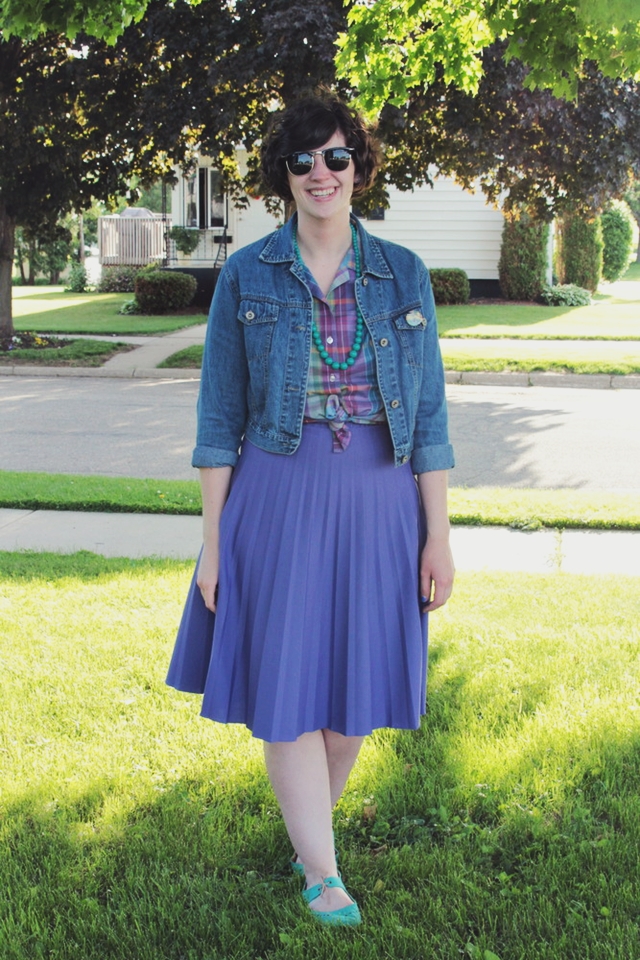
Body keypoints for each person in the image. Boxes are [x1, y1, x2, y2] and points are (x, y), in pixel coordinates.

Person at [166, 93, 455, 927]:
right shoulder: (247, 276)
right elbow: (218, 421)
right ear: (283, 175)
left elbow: (429, 416)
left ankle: (308, 841)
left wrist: (438, 534)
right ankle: (323, 874)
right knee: (287, 680)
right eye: (302, 160)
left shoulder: (401, 272)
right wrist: (213, 543)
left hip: (378, 497)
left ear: (359, 167)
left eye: (335, 157)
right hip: (278, 490)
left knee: (355, 682)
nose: (320, 173)